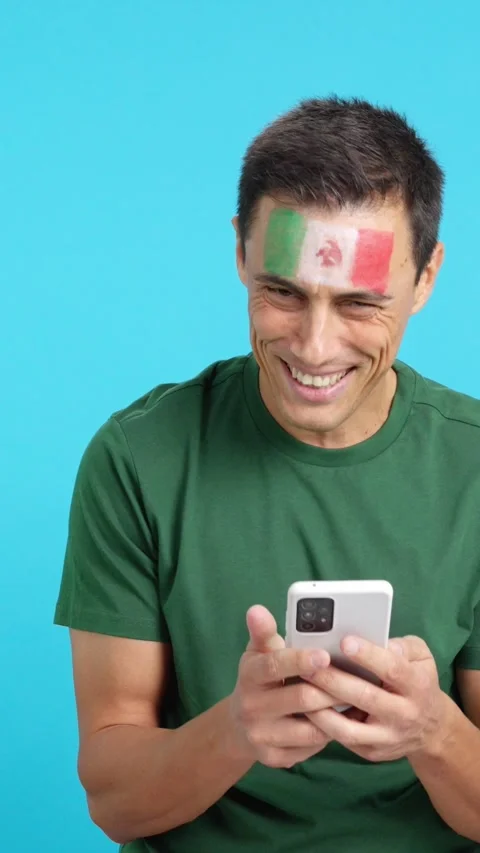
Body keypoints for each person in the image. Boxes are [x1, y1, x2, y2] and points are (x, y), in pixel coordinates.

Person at [54, 97, 480, 853]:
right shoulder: (138, 458)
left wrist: (434, 730)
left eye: (359, 303)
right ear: (242, 253)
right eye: (282, 291)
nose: (315, 348)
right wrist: (237, 729)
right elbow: (114, 799)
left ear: (427, 276)